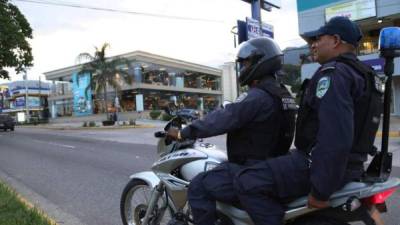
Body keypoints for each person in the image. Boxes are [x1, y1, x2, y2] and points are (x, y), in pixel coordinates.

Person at [233, 16, 383, 225]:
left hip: (319, 165)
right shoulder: (364, 74)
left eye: (318, 38)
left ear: (336, 40)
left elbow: (335, 138)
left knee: (246, 181)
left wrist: (321, 190)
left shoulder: (334, 74)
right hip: (352, 166)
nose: (313, 44)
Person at [166, 37, 297, 225]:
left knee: (198, 186)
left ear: (261, 62)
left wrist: (183, 133)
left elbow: (224, 118)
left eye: (246, 63)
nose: (243, 68)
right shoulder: (283, 94)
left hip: (250, 168)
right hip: (275, 166)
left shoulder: (257, 97)